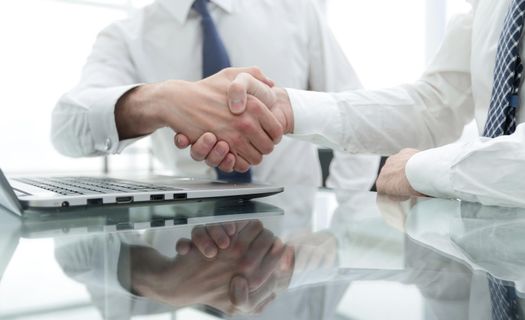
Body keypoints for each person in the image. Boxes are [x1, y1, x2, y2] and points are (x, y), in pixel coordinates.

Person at [183, 0, 525, 208]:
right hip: (493, 274)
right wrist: (290, 109)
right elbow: (435, 105)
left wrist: (417, 170)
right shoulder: (487, 6)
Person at [51, 0, 379, 189]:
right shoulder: (125, 35)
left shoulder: (294, 8)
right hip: (184, 247)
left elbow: (355, 116)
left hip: (296, 246)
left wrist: (342, 217)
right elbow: (66, 129)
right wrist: (163, 101)